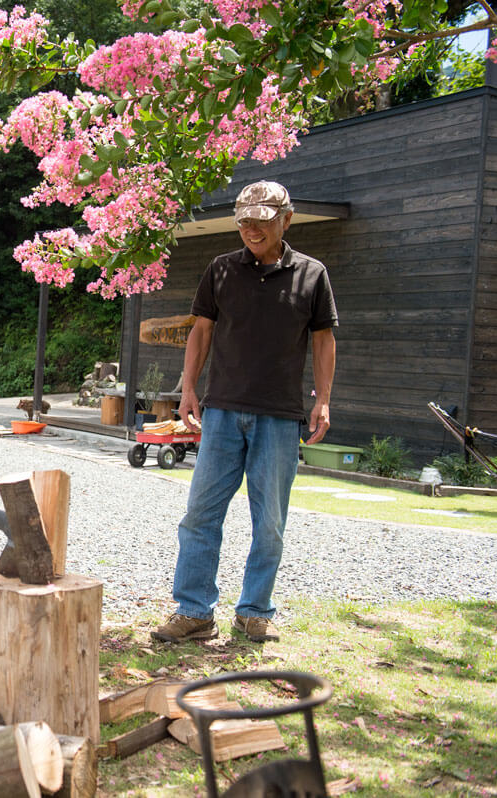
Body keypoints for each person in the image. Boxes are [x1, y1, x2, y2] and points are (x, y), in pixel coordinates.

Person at [151, 180, 337, 645]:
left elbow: (323, 341)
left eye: (262, 220)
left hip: (279, 415)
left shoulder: (312, 274)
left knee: (269, 521)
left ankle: (254, 612)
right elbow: (201, 332)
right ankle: (194, 612)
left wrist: (324, 400)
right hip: (222, 412)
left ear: (286, 220)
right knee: (200, 514)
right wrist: (188, 388)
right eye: (245, 221)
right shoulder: (220, 270)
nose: (252, 229)